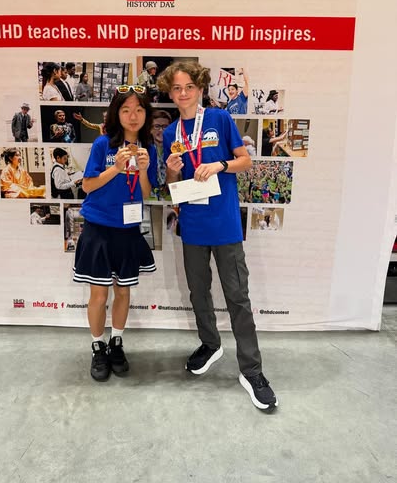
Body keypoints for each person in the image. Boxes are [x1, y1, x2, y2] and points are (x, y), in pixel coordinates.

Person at [159, 61, 277, 412]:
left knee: (237, 297)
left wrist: (220, 165)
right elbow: (171, 185)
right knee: (198, 293)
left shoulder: (220, 119)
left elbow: (245, 161)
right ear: (170, 93)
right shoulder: (171, 133)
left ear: (199, 89)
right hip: (192, 225)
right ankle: (210, 344)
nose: (183, 93)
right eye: (176, 88)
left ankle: (252, 371)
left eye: (189, 87)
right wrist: (171, 170)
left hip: (224, 225)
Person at [73, 85, 158, 382]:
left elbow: (145, 194)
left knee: (123, 290)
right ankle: (98, 347)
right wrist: (117, 168)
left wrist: (144, 169)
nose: (133, 116)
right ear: (116, 113)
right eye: (126, 110)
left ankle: (116, 342)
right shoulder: (103, 144)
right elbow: (87, 185)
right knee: (98, 294)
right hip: (98, 229)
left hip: (128, 230)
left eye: (139, 110)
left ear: (146, 114)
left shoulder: (149, 149)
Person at [150, 109, 172, 198]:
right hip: (150, 197)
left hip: (171, 197)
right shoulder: (144, 150)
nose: (161, 130)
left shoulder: (176, 149)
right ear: (150, 129)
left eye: (165, 126)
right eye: (157, 126)